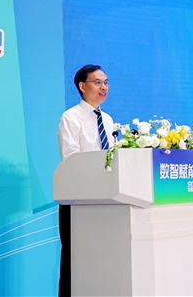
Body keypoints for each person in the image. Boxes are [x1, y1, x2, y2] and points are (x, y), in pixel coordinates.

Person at [56, 64, 114, 297]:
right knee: (74, 260)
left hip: (105, 199)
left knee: (100, 259)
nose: (103, 87)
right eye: (97, 82)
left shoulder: (107, 119)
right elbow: (71, 159)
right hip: (78, 200)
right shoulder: (71, 117)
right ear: (82, 86)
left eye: (106, 82)